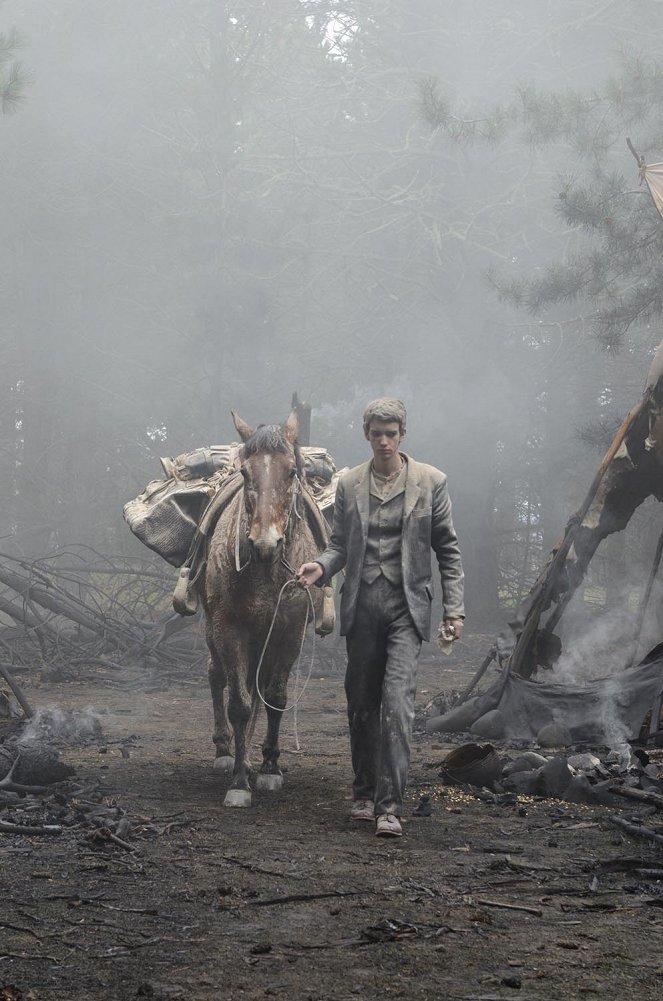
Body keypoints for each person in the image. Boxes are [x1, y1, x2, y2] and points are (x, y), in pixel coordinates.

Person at [297, 398, 464, 837]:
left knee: (397, 704)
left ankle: (390, 806)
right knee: (362, 706)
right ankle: (364, 795)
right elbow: (337, 545)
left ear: (402, 434)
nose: (384, 441)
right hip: (362, 608)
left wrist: (454, 609)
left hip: (407, 609)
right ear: (367, 435)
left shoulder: (432, 482)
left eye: (391, 433)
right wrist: (321, 566)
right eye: (377, 434)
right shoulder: (349, 483)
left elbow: (447, 550)